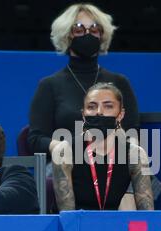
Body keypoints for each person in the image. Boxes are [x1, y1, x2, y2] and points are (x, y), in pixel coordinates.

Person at [27, 3, 147, 209]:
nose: (87, 34)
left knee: (139, 162)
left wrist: (107, 147)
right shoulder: (50, 85)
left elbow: (132, 131)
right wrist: (66, 146)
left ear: (102, 35)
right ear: (67, 35)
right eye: (79, 29)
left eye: (94, 29)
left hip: (113, 159)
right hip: (69, 160)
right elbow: (36, 138)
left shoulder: (119, 82)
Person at [51, 83, 154, 211]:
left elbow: (147, 215)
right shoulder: (64, 151)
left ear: (121, 115)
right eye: (92, 107)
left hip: (114, 226)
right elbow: (68, 217)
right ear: (83, 115)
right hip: (78, 226)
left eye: (108, 106)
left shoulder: (135, 154)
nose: (99, 112)